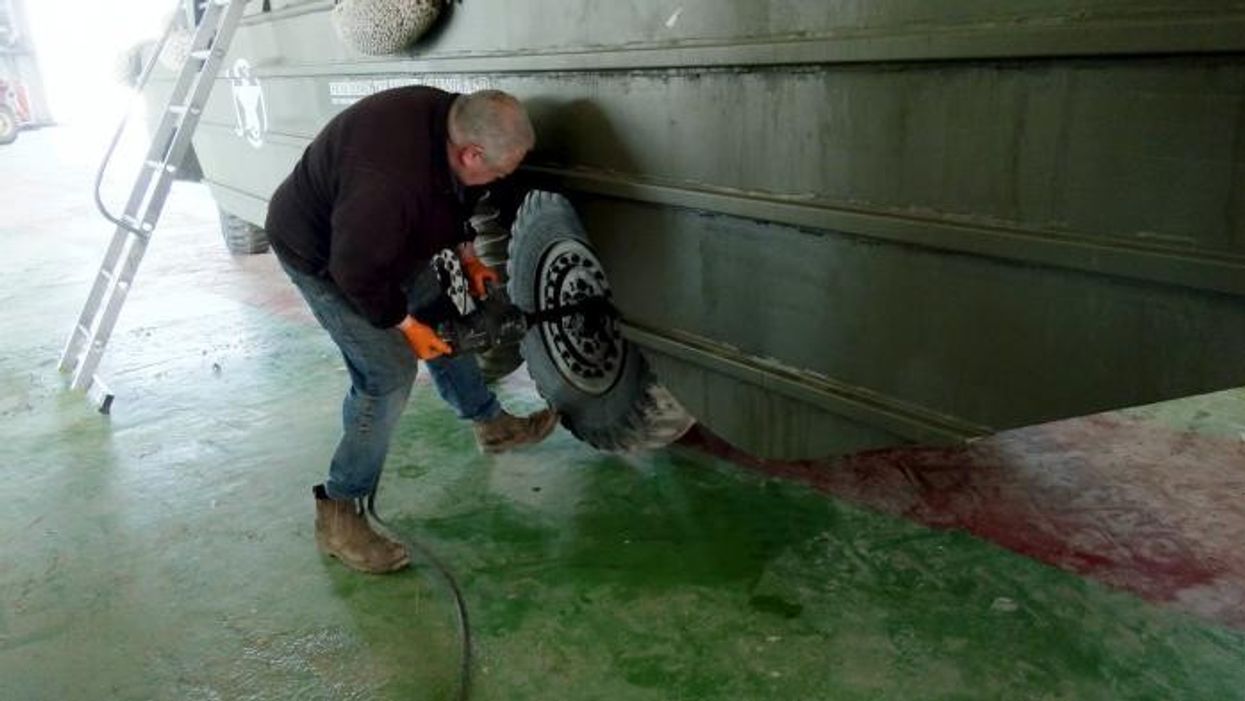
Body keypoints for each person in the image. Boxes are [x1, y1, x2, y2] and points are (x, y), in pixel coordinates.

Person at [264, 87, 559, 574]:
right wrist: (406, 326)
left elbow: (460, 193)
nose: (500, 180)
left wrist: (467, 255)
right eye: (499, 171)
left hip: (381, 238)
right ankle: (339, 511)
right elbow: (355, 271)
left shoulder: (453, 117)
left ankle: (491, 424)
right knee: (387, 374)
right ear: (470, 152)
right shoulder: (387, 184)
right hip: (325, 256)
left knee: (444, 315)